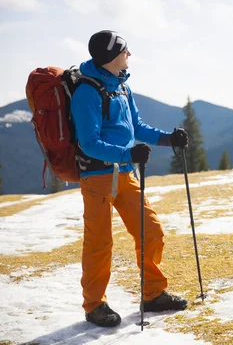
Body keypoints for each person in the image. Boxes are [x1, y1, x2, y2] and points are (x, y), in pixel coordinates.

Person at [71, 30, 189, 327]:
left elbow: (136, 126)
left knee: (151, 231)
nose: (129, 55)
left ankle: (152, 294)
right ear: (111, 56)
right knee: (99, 244)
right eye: (125, 51)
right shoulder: (87, 92)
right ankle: (94, 305)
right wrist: (127, 154)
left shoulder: (122, 87)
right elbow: (88, 142)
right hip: (98, 176)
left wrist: (168, 139)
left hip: (125, 174)